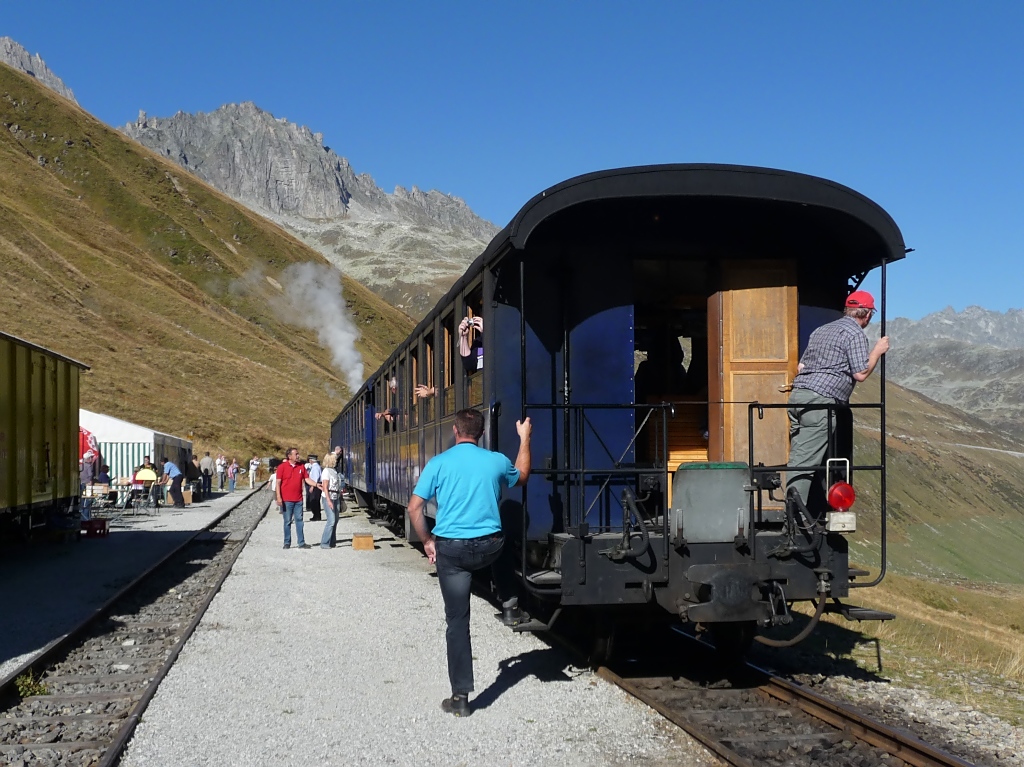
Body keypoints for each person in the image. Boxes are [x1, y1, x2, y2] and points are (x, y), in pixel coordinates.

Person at [407, 409, 532, 717]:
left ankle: (461, 697)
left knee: (457, 621)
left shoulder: (438, 463)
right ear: (481, 432)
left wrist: (427, 541)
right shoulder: (496, 460)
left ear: (455, 430)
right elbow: (523, 476)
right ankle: (510, 603)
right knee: (501, 540)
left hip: (452, 552)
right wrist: (525, 438)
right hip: (489, 547)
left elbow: (414, 508)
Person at [787, 290, 889, 507]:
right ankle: (793, 518)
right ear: (868, 314)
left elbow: (801, 366)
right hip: (820, 403)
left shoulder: (821, 330)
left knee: (800, 457)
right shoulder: (854, 334)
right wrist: (878, 351)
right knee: (804, 464)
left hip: (798, 397)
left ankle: (798, 511)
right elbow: (860, 373)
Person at [275, 448, 318, 549]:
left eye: (298, 454)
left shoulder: (301, 467)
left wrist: (316, 484)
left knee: (299, 521)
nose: (298, 456)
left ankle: (301, 543)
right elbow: (278, 483)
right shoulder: (282, 467)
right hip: (286, 500)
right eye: (296, 454)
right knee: (287, 521)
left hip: (298, 499)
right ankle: (287, 542)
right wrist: (278, 497)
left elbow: (307, 479)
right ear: (289, 456)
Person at [318, 452, 344, 549]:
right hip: (328, 497)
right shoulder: (326, 471)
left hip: (336, 496)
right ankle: (324, 542)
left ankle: (332, 541)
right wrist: (328, 500)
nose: (336, 460)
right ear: (331, 460)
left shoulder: (334, 471)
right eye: (335, 459)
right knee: (331, 520)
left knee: (336, 520)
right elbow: (325, 487)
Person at [306, 454, 322, 521]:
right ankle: (316, 515)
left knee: (314, 501)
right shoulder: (314, 466)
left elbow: (315, 477)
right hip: (315, 485)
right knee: (314, 501)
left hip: (315, 485)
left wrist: (312, 486)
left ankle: (316, 515)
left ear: (311, 460)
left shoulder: (315, 467)